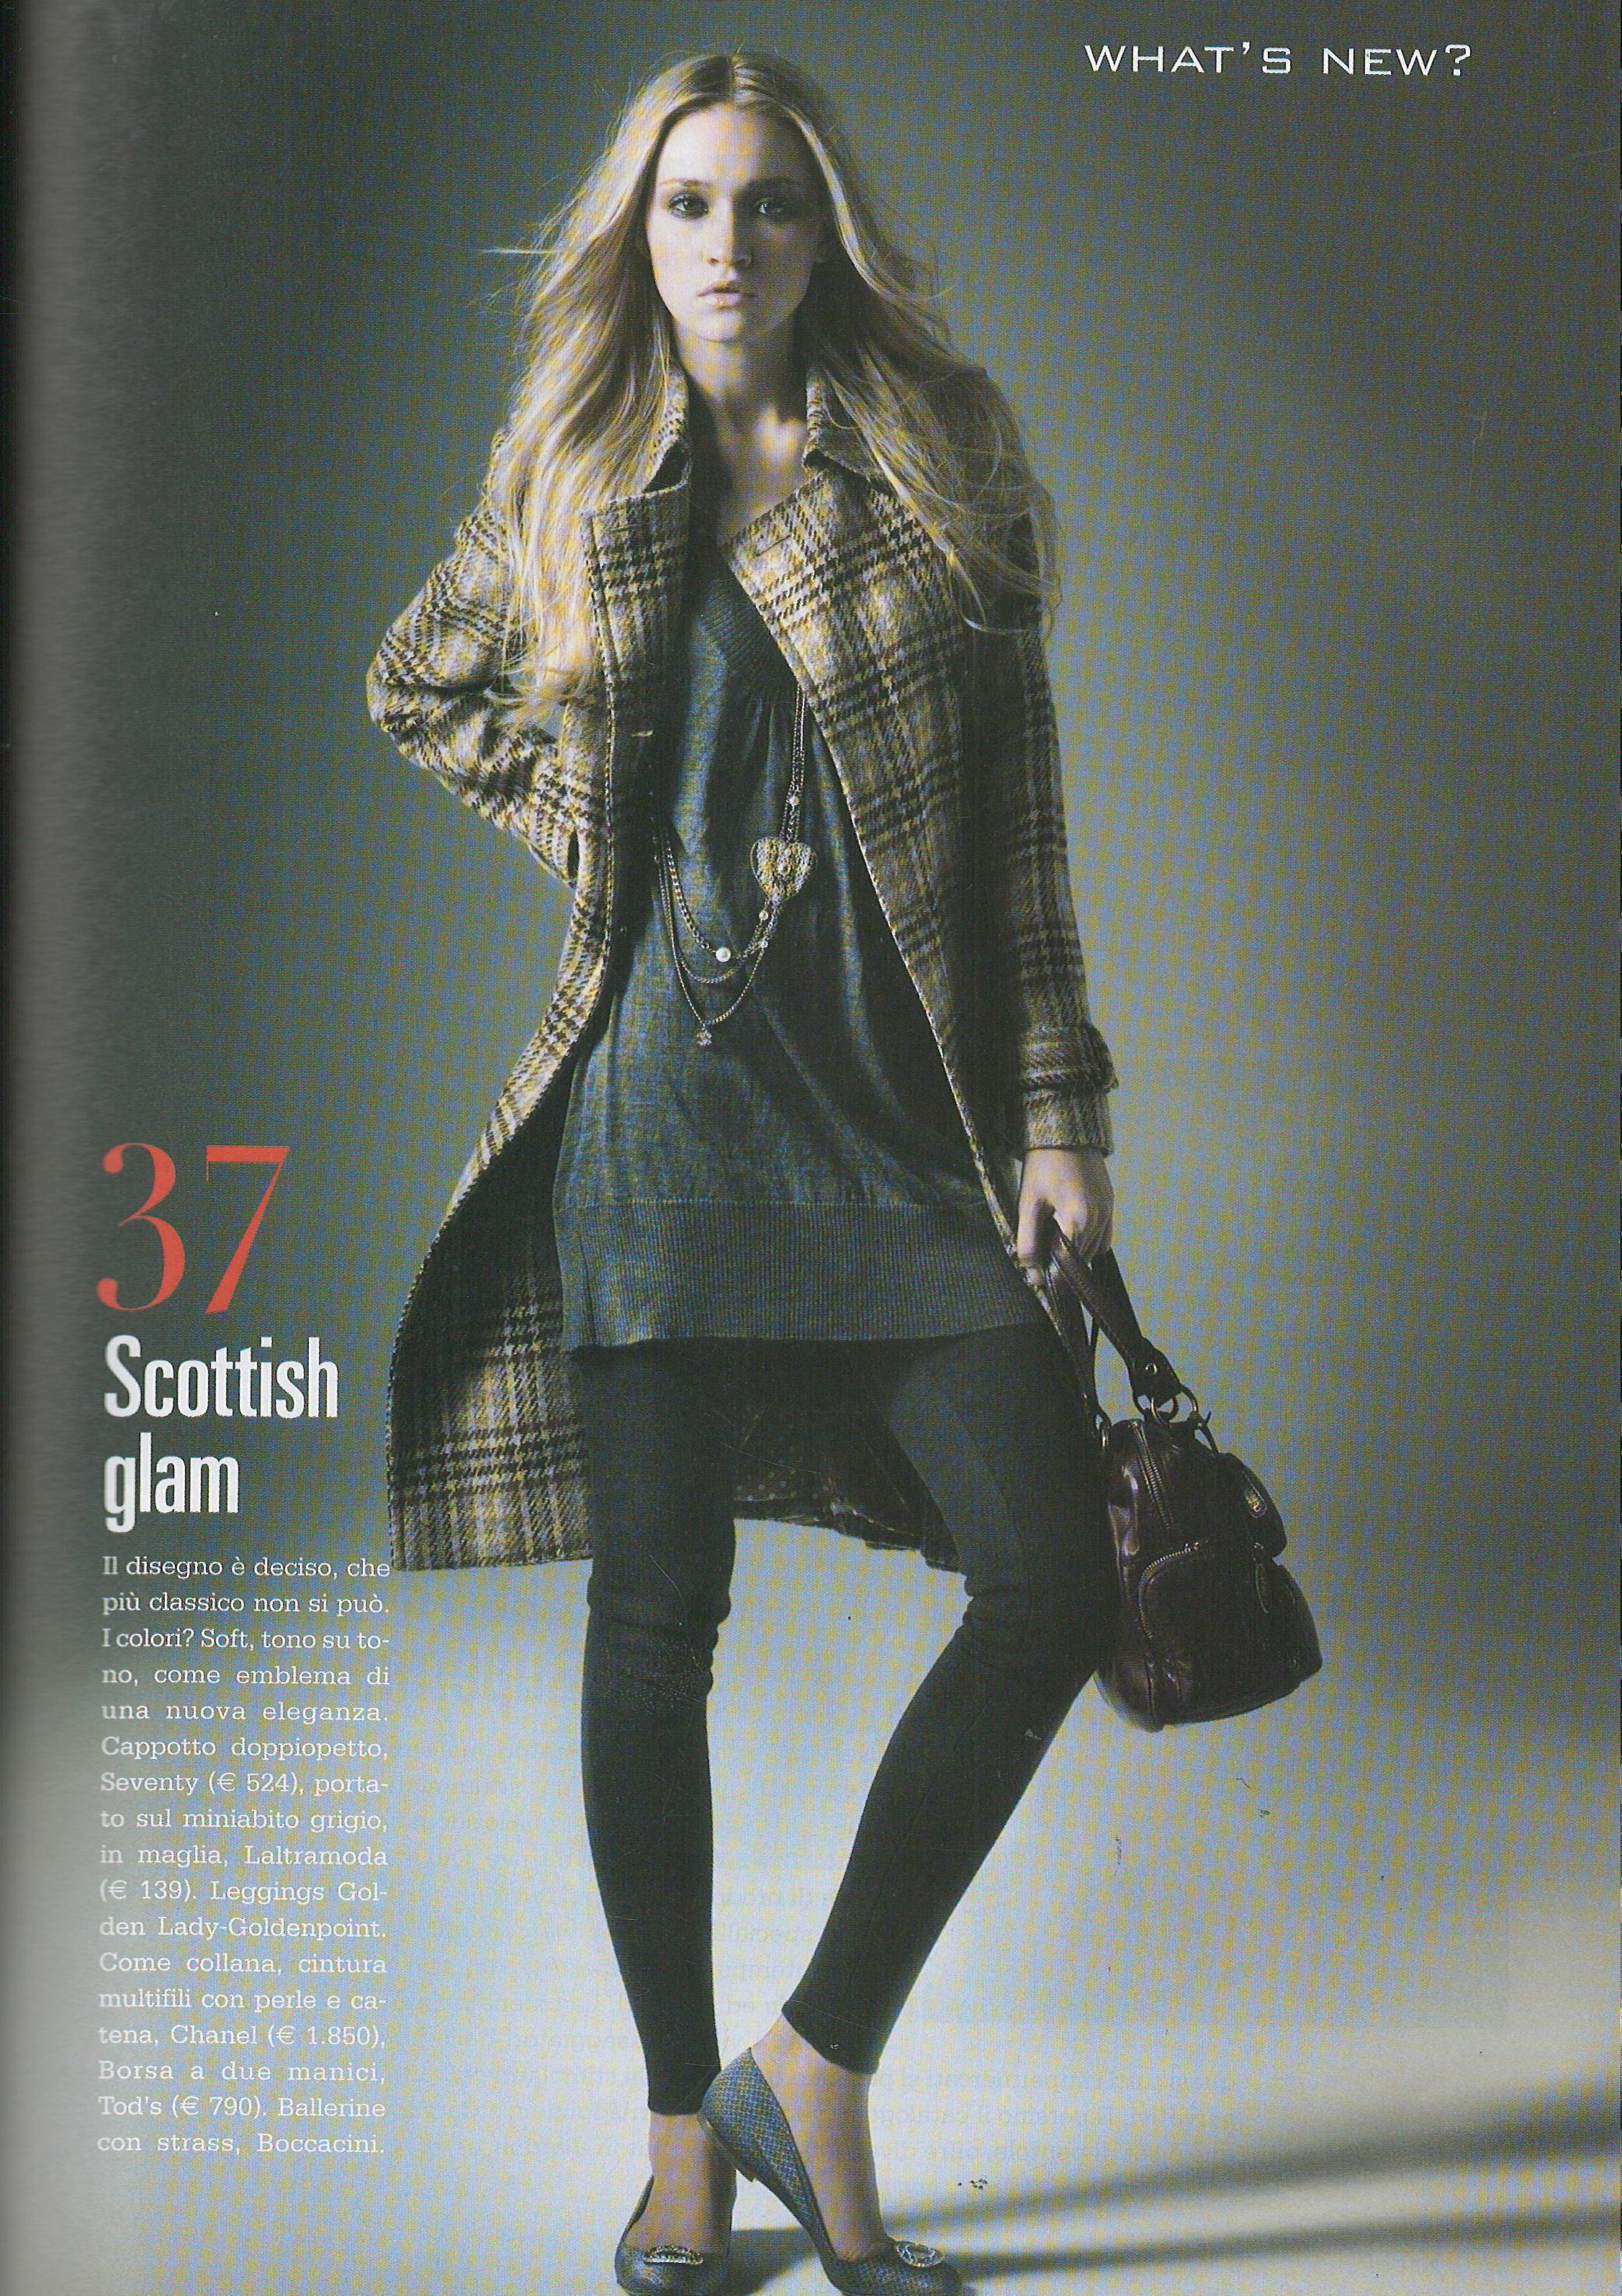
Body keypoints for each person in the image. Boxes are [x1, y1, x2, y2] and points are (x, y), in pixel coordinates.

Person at [369, 51, 1119, 2296]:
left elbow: (1021, 836)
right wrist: (595, 833)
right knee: (653, 1630)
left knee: (1055, 1579)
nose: (725, 245)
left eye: (767, 203)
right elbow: (418, 686)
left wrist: (1061, 1114)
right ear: (642, 234)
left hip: (901, 1134)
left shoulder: (937, 465)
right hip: (661, 1141)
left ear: (823, 233)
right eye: (687, 205)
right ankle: (675, 2133)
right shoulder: (581, 476)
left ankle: (810, 2065)